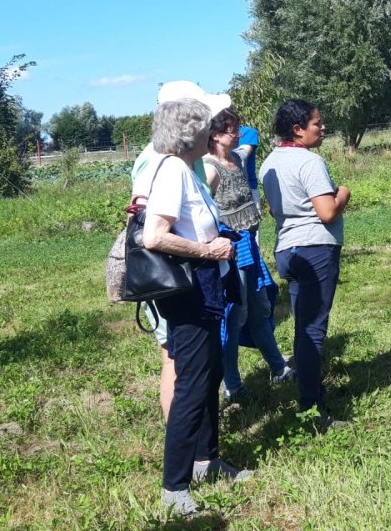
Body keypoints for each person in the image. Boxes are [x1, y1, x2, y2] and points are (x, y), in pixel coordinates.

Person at [138, 97, 251, 516]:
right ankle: (175, 488)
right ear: (191, 133)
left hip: (207, 292)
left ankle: (208, 460)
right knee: (191, 386)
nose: (212, 132)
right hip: (189, 296)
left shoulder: (187, 170)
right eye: (206, 127)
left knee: (209, 376)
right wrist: (206, 251)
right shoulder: (171, 172)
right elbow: (154, 236)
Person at [130, 81, 232, 421]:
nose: (211, 128)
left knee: (192, 363)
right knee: (176, 360)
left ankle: (196, 444)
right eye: (203, 120)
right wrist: (205, 250)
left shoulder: (186, 159)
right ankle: (184, 443)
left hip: (194, 274)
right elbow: (152, 227)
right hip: (178, 278)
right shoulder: (162, 161)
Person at [258, 99, 350, 427]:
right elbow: (326, 212)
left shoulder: (269, 162)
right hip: (314, 250)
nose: (322, 128)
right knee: (313, 330)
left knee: (302, 325)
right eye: (316, 124)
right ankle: (311, 409)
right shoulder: (309, 162)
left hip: (287, 250)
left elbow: (273, 208)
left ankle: (308, 387)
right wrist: (343, 193)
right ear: (297, 130)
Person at [204, 108, 295, 404]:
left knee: (260, 308)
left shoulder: (237, 160)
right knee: (235, 315)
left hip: (249, 244)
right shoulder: (208, 168)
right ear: (215, 135)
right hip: (230, 249)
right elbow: (203, 211)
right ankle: (231, 385)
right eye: (232, 130)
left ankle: (279, 368)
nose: (238, 134)